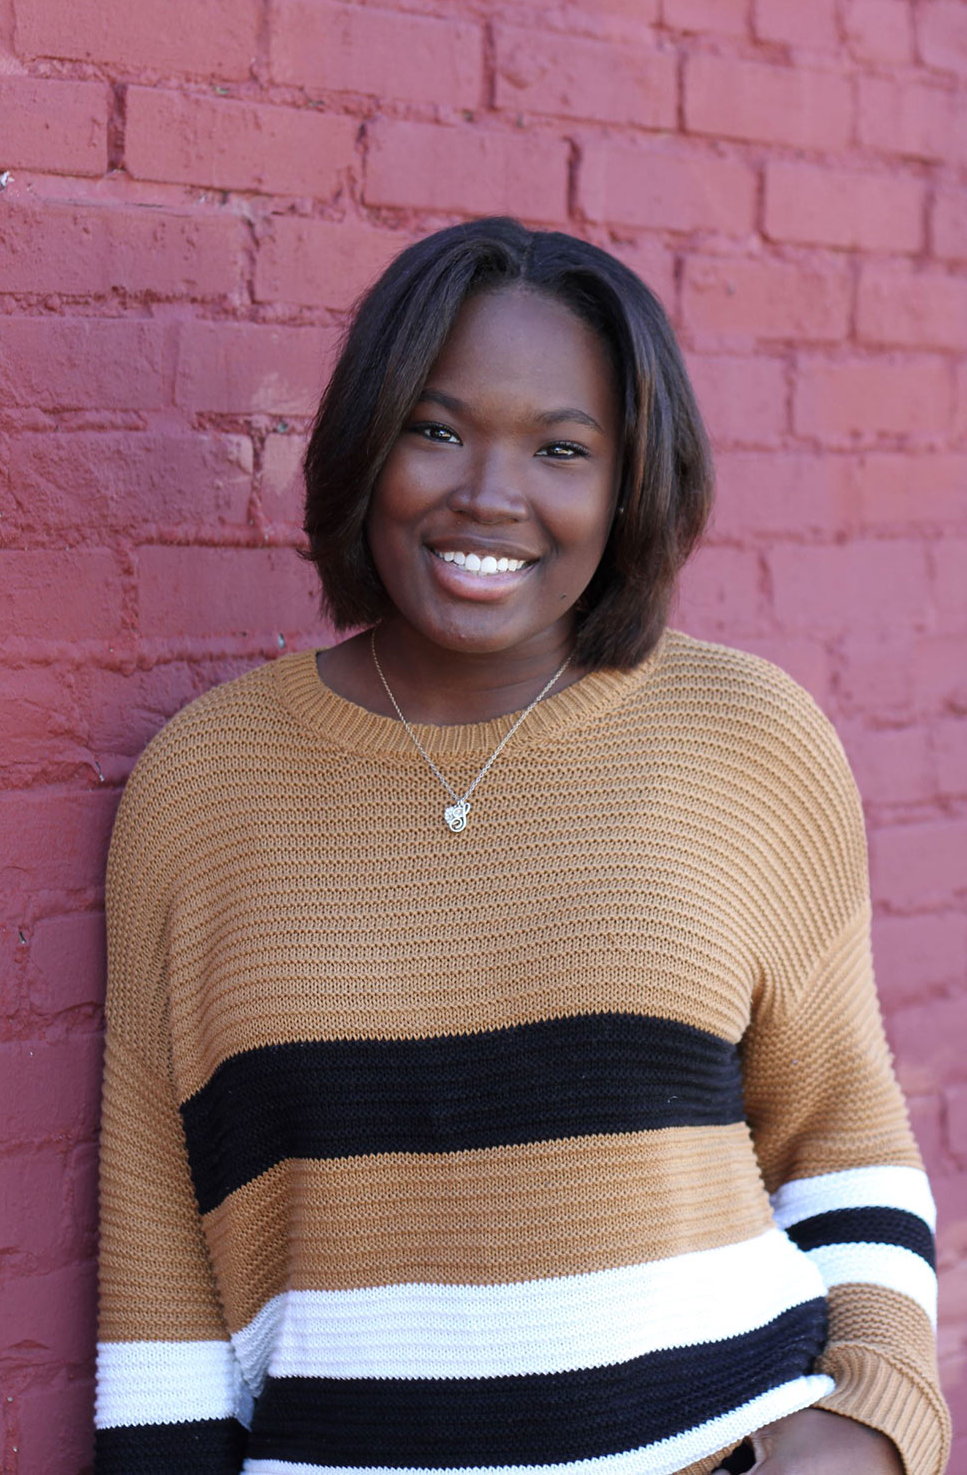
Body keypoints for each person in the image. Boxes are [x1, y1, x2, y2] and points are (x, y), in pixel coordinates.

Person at [94, 218, 950, 1475]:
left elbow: (840, 1130)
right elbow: (160, 1265)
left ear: (628, 484)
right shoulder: (201, 784)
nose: (489, 493)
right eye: (435, 430)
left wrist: (872, 1422)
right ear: (364, 444)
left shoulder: (747, 739)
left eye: (561, 448)